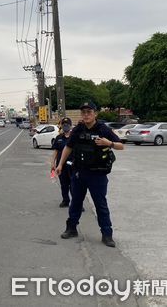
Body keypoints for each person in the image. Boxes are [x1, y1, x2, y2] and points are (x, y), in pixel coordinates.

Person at [55, 102, 124, 247]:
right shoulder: (78, 129)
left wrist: (108, 143)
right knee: (76, 203)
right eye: (84, 112)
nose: (86, 115)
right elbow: (68, 147)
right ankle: (72, 228)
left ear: (95, 114)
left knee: (101, 205)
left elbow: (121, 146)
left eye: (89, 112)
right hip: (79, 172)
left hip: (97, 175)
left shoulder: (103, 129)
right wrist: (60, 164)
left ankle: (107, 234)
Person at [50, 117, 73, 207]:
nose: (65, 126)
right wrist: (52, 163)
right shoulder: (59, 138)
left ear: (71, 126)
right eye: (64, 125)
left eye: (67, 125)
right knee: (64, 185)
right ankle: (65, 200)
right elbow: (55, 152)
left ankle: (77, 203)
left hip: (73, 165)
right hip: (61, 166)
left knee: (74, 186)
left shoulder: (74, 137)